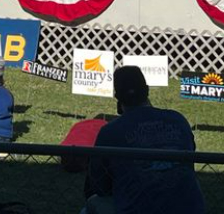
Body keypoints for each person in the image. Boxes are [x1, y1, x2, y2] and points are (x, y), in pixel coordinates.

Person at [85, 66, 205, 214]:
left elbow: (99, 186)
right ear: (147, 90)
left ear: (117, 97)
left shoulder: (110, 131)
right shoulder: (178, 120)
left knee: (92, 204)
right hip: (190, 209)